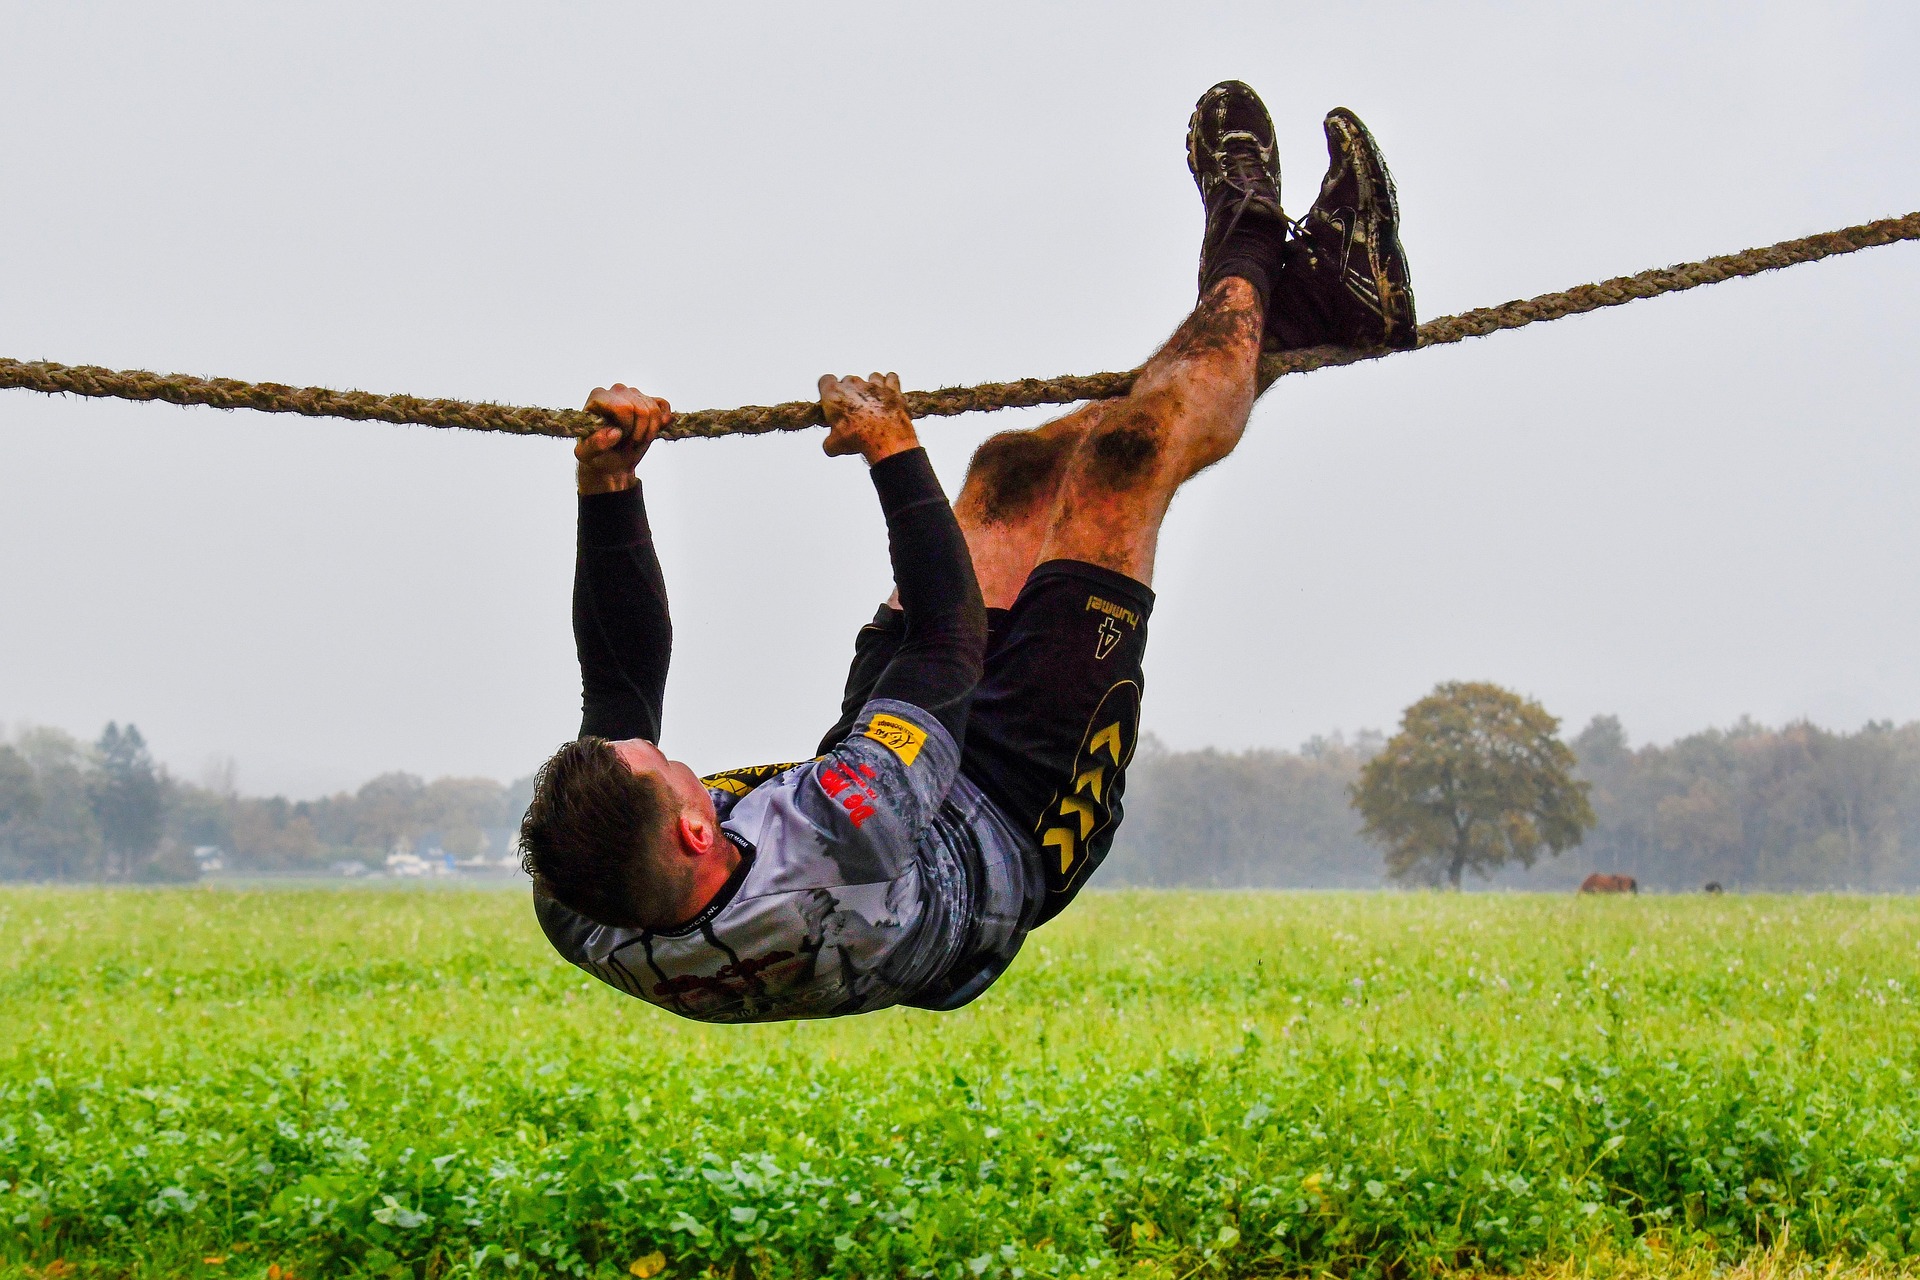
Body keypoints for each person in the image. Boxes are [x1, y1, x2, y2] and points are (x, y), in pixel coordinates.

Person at [519, 81, 1416, 1022]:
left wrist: (608, 484)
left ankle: (1319, 312)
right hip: (1013, 817)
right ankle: (1252, 235)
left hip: (888, 794)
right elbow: (947, 643)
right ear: (699, 829)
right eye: (667, 772)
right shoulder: (840, 829)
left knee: (1012, 474)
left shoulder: (586, 898)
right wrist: (891, 447)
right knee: (1121, 466)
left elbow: (619, 682)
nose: (668, 757)